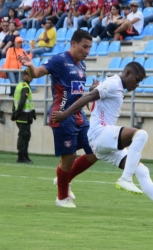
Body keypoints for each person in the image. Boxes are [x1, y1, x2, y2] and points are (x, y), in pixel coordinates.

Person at [51, 62, 153, 217]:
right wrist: (65, 114)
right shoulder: (113, 84)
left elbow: (93, 106)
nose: (137, 84)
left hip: (102, 144)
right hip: (100, 135)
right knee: (141, 135)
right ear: (127, 74)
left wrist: (93, 90)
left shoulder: (115, 87)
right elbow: (87, 98)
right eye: (137, 79)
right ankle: (125, 179)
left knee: (142, 170)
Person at [18, 29, 98, 208]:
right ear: (73, 44)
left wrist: (91, 92)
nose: (87, 51)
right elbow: (36, 73)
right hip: (61, 115)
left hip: (79, 116)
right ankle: (62, 197)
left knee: (95, 151)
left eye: (89, 48)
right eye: (84, 47)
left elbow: (76, 93)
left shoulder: (82, 66)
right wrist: (30, 65)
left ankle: (63, 179)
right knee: (68, 157)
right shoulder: (59, 60)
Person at [11, 70, 36, 164]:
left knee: (25, 135)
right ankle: (21, 156)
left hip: (22, 115)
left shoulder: (20, 85)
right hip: (23, 116)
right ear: (24, 76)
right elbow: (21, 101)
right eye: (29, 75)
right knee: (23, 136)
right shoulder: (25, 87)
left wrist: (15, 112)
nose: (31, 77)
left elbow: (15, 100)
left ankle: (24, 155)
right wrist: (17, 113)